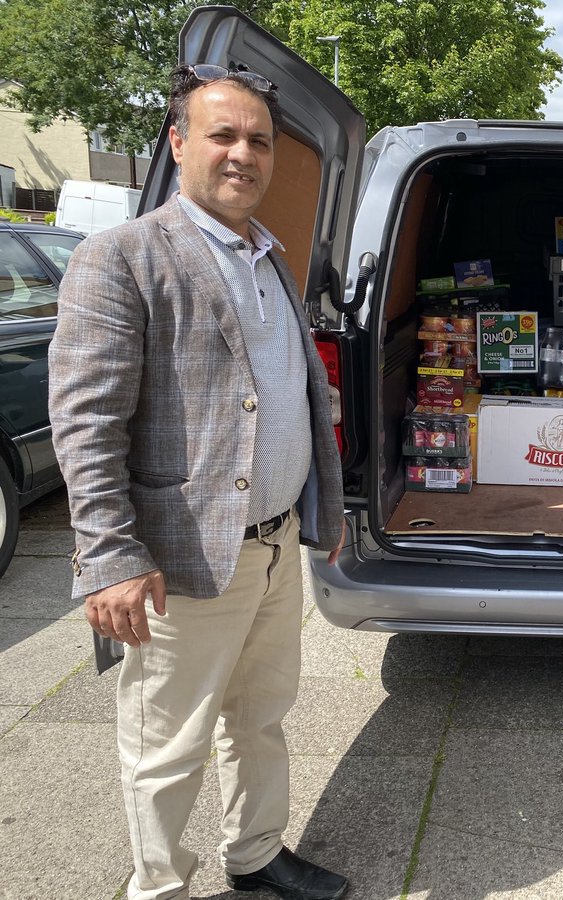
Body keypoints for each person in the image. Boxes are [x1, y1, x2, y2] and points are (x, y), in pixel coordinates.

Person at [49, 64, 348, 900]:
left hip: (275, 544)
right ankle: (162, 887)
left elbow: (297, 394)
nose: (243, 154)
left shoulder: (273, 260)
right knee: (165, 744)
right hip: (177, 562)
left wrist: (326, 503)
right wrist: (107, 556)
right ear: (178, 143)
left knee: (260, 716)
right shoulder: (122, 259)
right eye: (223, 134)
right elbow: (86, 423)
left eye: (258, 140)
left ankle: (254, 853)